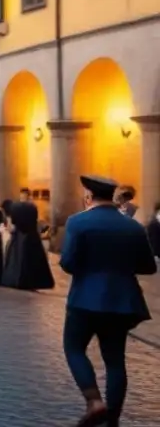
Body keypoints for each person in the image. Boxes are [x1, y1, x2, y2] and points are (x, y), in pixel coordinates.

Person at [61, 175, 157, 426]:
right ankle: (112, 418)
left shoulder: (78, 222)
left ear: (88, 197)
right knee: (115, 359)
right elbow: (148, 266)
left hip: (84, 299)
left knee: (74, 348)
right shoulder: (132, 226)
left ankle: (94, 401)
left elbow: (68, 263)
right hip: (121, 301)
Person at [2, 189, 54, 291]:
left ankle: (16, 279)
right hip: (32, 236)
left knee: (17, 260)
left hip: (19, 236)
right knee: (31, 260)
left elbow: (14, 222)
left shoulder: (17, 207)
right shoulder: (32, 207)